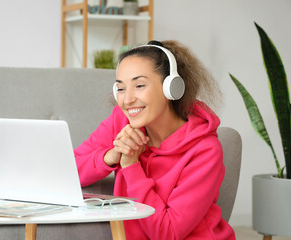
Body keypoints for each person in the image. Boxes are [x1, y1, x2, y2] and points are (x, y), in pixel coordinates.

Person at [74, 40, 235, 240]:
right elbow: (69, 169)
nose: (127, 99)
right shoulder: (121, 122)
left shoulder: (205, 150)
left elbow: (168, 233)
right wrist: (111, 155)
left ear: (171, 88)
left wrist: (131, 167)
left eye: (139, 85)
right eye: (121, 89)